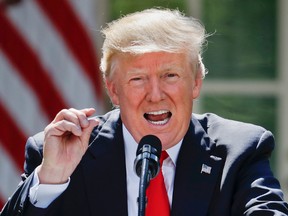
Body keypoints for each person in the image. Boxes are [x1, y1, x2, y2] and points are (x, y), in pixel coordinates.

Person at [1, 8, 288, 216]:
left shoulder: (239, 150)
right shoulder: (63, 152)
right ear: (113, 91)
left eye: (170, 76)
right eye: (137, 79)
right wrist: (51, 178)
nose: (155, 94)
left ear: (196, 82)